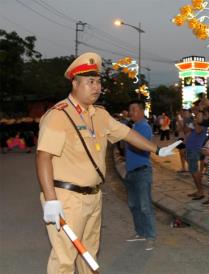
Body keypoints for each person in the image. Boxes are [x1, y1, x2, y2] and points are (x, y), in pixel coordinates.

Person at [36, 52, 179, 274]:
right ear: (75, 83)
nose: (96, 87)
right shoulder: (59, 115)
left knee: (89, 254)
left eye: (98, 81)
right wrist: (52, 201)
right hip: (66, 198)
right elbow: (43, 156)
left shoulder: (100, 115)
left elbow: (128, 134)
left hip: (94, 196)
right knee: (64, 260)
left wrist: (158, 149)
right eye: (90, 82)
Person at [123, 100, 156, 251]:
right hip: (131, 172)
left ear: (142, 111)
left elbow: (138, 147)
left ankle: (150, 236)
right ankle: (140, 232)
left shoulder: (144, 127)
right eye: (130, 110)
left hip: (142, 172)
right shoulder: (134, 127)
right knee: (133, 205)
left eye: (134, 109)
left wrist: (126, 137)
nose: (131, 113)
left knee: (144, 205)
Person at [185, 119, 208, 200]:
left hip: (194, 150)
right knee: (193, 171)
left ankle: (200, 191)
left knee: (194, 171)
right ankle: (199, 190)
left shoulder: (202, 123)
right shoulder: (198, 123)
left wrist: (195, 123)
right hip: (191, 149)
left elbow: (198, 130)